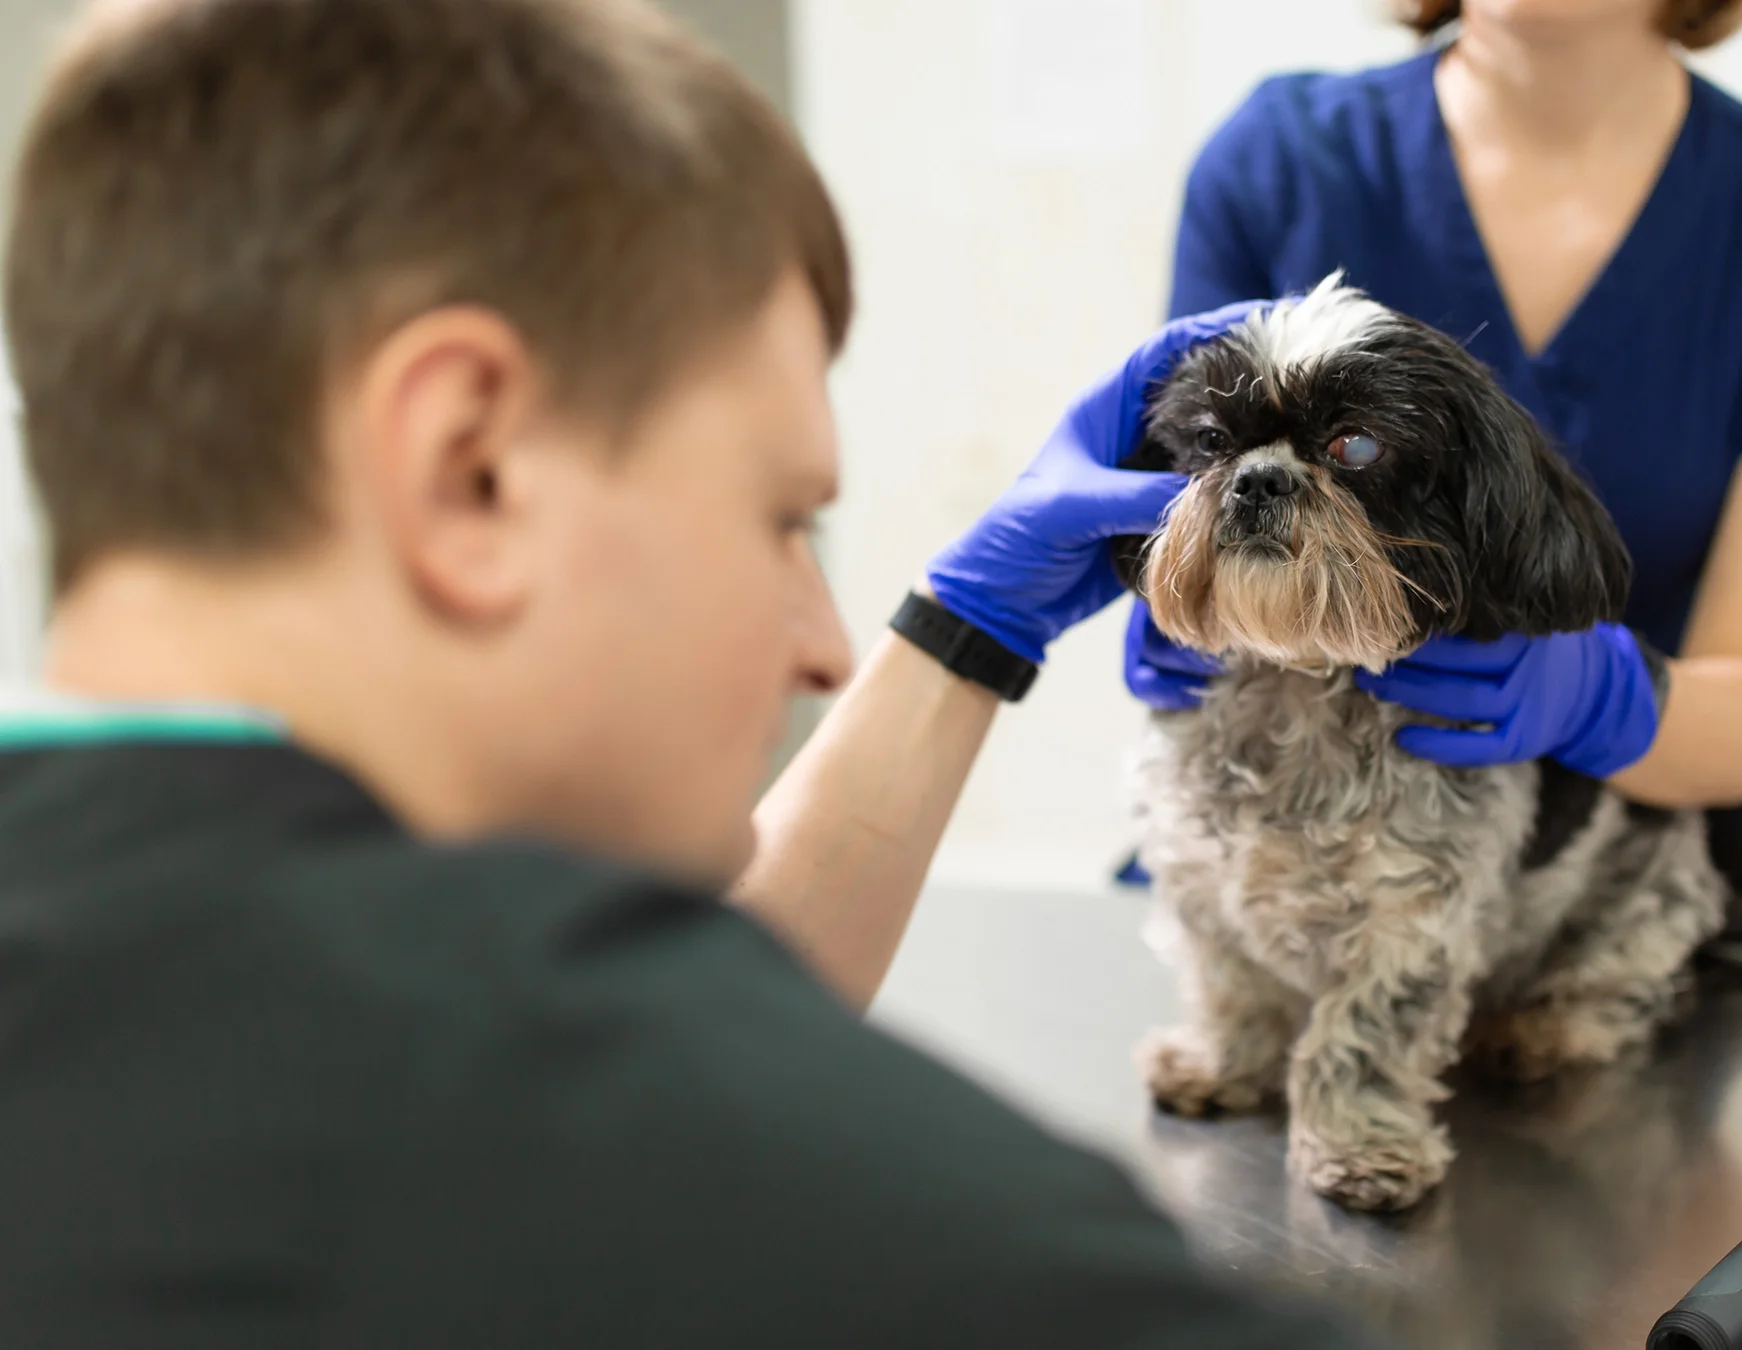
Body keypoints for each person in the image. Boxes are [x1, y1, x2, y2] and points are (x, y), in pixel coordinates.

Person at [0, 0, 1374, 1344]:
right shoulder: (850, 1216)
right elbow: (639, 1064)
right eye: (781, 517)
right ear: (468, 466)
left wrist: (972, 628)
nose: (824, 645)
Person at [1125, 0, 1742, 895]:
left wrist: (1599, 697)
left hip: (1586, 880)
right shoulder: (1277, 161)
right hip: (1249, 850)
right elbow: (1184, 485)